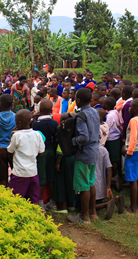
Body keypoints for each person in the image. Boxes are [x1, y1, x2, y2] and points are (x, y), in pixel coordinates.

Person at [66, 88, 100, 225]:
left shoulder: (82, 116)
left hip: (84, 153)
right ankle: (93, 212)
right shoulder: (95, 112)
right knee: (91, 182)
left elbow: (83, 137)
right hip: (94, 151)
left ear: (78, 101)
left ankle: (84, 217)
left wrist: (72, 141)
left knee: (84, 185)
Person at [7, 109, 45, 205]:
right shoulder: (37, 134)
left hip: (19, 173)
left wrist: (11, 136)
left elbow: (9, 151)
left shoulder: (16, 135)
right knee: (33, 200)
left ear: (18, 123)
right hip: (33, 172)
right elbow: (42, 153)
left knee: (14, 200)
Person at [32, 99, 58, 213]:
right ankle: (52, 202)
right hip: (52, 151)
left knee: (41, 177)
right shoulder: (54, 123)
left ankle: (41, 203)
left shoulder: (36, 124)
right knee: (51, 178)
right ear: (51, 110)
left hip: (40, 153)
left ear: (40, 110)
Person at [123, 98, 138, 213]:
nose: (129, 108)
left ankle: (133, 207)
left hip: (134, 151)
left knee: (132, 180)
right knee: (137, 178)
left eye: (131, 106)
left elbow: (133, 138)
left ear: (136, 108)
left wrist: (129, 152)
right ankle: (136, 205)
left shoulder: (133, 120)